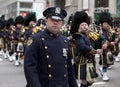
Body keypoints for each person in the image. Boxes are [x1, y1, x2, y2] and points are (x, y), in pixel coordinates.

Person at [24, 7, 78, 87]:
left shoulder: (65, 41)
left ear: (62, 23)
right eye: (53, 20)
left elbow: (69, 69)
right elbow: (30, 69)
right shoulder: (35, 39)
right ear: (46, 21)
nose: (55, 23)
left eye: (58, 21)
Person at [70, 11, 102, 87]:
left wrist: (101, 41)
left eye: (86, 25)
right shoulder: (77, 36)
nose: (85, 26)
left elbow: (95, 42)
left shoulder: (87, 35)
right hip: (82, 61)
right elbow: (82, 47)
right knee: (84, 81)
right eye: (82, 25)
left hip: (89, 61)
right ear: (78, 26)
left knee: (89, 81)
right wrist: (95, 51)